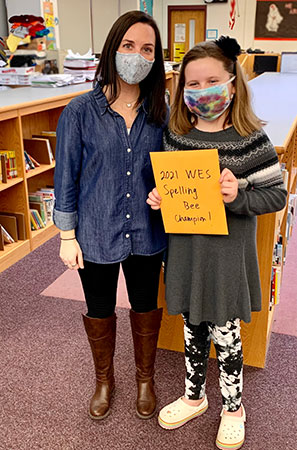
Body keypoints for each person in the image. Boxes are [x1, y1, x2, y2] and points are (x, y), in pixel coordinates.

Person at [147, 36, 287, 449]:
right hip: (187, 254)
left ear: (232, 84)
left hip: (227, 258)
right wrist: (159, 197)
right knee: (192, 328)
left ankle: (233, 406)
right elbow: (170, 187)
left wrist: (238, 195)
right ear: (181, 89)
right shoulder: (177, 137)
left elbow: (275, 195)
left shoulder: (251, 141)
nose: (201, 90)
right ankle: (195, 396)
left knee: (226, 334)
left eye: (211, 81)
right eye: (192, 84)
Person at [53, 10, 168, 421]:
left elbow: (170, 171)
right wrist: (67, 235)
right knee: (98, 307)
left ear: (156, 59)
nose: (137, 56)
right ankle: (104, 379)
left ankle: (144, 378)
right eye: (129, 46)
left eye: (148, 49)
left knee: (144, 305)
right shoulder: (80, 111)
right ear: (113, 49)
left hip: (147, 230)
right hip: (96, 229)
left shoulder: (162, 112)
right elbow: (66, 176)